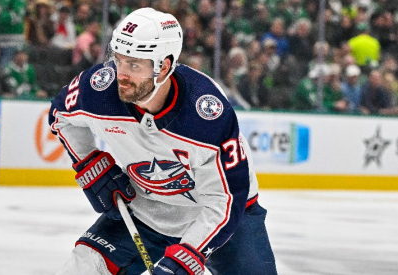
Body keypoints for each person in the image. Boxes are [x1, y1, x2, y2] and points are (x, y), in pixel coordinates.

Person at [49, 8, 277, 275]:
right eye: (119, 60)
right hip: (147, 206)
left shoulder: (205, 115)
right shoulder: (99, 88)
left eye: (134, 65)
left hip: (224, 216)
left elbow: (225, 199)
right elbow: (61, 115)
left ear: (163, 67)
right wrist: (89, 162)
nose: (121, 74)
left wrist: (188, 255)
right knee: (85, 266)